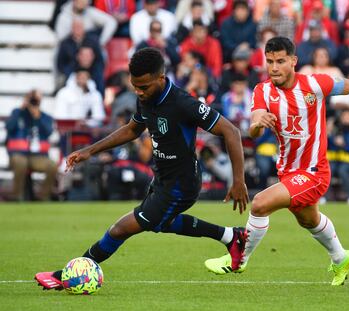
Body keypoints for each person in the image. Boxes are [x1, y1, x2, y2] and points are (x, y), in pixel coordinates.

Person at [35, 47, 249, 290]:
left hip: (180, 185)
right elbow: (131, 129)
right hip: (162, 180)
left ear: (161, 78)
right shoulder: (145, 97)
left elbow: (231, 131)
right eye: (135, 85)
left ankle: (66, 276)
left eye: (144, 87)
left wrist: (238, 180)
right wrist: (89, 151)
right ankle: (232, 237)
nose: (138, 91)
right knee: (162, 223)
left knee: (120, 229)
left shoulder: (182, 103)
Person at [204, 37, 349, 286]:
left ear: (293, 61)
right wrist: (257, 125)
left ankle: (238, 260)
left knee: (260, 204)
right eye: (270, 61)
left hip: (314, 172)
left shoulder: (314, 85)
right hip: (288, 170)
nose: (274, 67)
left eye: (281, 61)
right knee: (308, 220)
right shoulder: (262, 90)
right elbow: (255, 123)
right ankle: (341, 257)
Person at [6, 90, 57, 201]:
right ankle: (17, 196)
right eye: (31, 99)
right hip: (18, 154)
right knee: (21, 162)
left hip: (38, 156)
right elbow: (9, 127)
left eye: (36, 100)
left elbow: (49, 132)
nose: (33, 102)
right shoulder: (17, 113)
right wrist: (21, 109)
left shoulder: (45, 117)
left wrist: (38, 117)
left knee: (52, 165)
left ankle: (44, 197)